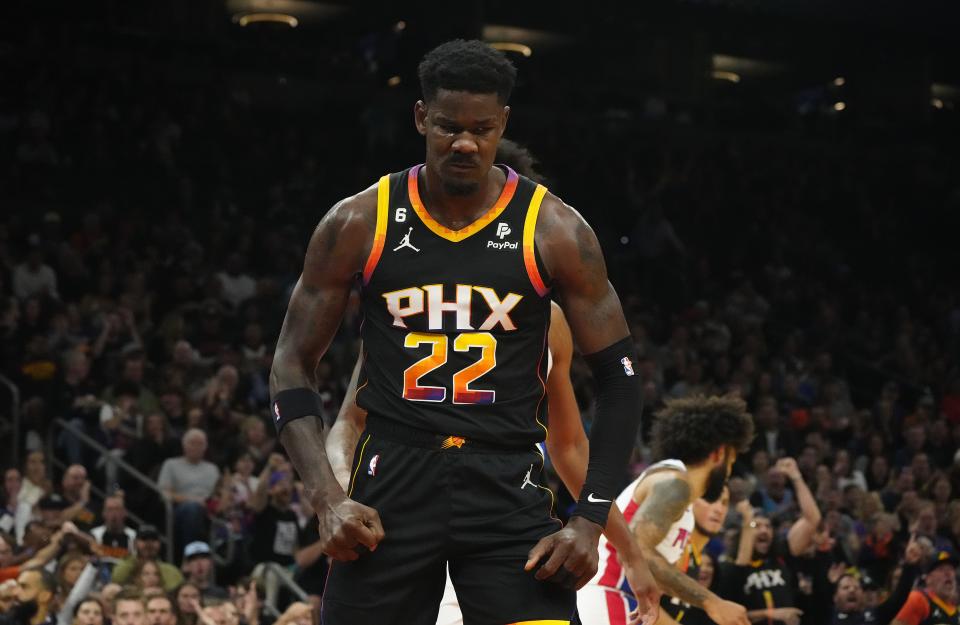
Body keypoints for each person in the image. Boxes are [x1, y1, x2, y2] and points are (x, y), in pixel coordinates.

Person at [270, 39, 653, 624]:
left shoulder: (554, 230)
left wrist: (589, 518)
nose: (465, 142)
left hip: (506, 480)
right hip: (393, 477)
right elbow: (291, 363)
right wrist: (326, 497)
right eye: (449, 126)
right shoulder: (359, 219)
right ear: (422, 117)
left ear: (503, 124)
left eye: (482, 128)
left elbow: (620, 381)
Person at [329, 300, 653, 625]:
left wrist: (630, 553)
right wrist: (339, 499)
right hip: (404, 522)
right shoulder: (400, 293)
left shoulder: (548, 316)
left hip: (507, 521)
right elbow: (351, 422)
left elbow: (568, 446)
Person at [578, 395, 753, 625]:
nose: (729, 472)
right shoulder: (674, 482)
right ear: (719, 453)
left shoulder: (683, 503)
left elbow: (655, 579)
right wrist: (714, 603)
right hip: (610, 593)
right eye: (730, 462)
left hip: (631, 604)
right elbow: (635, 551)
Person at [719, 457, 822, 625]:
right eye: (757, 526)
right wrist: (771, 614)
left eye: (768, 526)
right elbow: (726, 616)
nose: (764, 531)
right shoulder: (732, 568)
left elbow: (812, 520)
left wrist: (796, 477)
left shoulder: (781, 554)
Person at [157, 429, 220, 551]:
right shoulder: (171, 464)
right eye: (192, 443)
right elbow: (164, 493)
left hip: (209, 510)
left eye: (200, 444)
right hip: (180, 510)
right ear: (184, 445)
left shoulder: (212, 469)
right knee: (192, 509)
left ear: (205, 447)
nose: (196, 447)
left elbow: (217, 494)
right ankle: (192, 555)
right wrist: (193, 500)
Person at [892, 550, 960, 625]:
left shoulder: (957, 611)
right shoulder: (918, 599)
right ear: (928, 578)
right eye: (941, 569)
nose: (948, 573)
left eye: (951, 569)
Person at [111, 525, 183, 591]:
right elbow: (116, 580)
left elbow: (177, 593)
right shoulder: (126, 565)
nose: (149, 543)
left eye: (153, 540)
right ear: (135, 543)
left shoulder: (170, 570)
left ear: (159, 543)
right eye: (144, 539)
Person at [89, 495, 136, 559]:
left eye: (117, 509)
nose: (114, 513)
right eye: (110, 509)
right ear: (103, 513)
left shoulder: (133, 535)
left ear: (125, 512)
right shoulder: (94, 534)